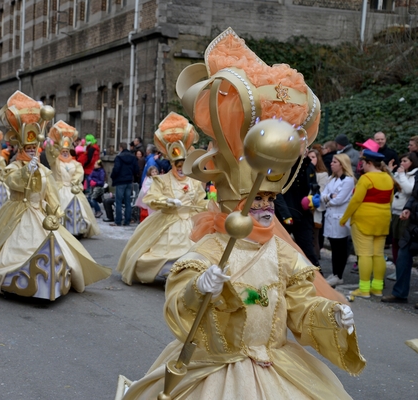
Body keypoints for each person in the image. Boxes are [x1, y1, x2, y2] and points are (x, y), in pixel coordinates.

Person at [119, 29, 364, 399]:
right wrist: (197, 292)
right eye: (257, 200)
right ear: (236, 203)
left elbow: (299, 304)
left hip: (278, 364)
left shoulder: (282, 255)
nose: (266, 207)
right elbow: (183, 296)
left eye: (270, 200)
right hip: (219, 366)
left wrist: (329, 316)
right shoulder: (214, 249)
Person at [0, 91, 110, 301]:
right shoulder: (13, 167)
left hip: (40, 215)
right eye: (27, 149)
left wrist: (55, 213)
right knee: (16, 250)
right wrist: (26, 170)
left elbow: (50, 195)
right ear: (20, 148)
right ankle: (19, 278)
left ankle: (46, 282)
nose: (31, 152)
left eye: (32, 149)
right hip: (17, 214)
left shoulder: (45, 171)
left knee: (55, 249)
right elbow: (12, 183)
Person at [117, 112, 207, 285]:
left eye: (183, 165)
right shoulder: (162, 180)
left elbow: (200, 202)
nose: (180, 169)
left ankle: (184, 273)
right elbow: (151, 197)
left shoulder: (194, 182)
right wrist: (168, 202)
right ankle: (167, 272)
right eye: (177, 165)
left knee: (191, 249)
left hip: (189, 222)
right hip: (168, 221)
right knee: (163, 250)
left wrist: (208, 209)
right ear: (172, 164)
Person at [340, 149, 394, 298]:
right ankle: (377, 288)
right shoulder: (388, 178)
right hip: (382, 220)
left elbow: (355, 201)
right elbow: (390, 200)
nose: (361, 165)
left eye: (363, 163)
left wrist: (344, 218)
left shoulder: (366, 179)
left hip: (363, 220)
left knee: (364, 255)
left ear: (369, 163)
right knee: (378, 255)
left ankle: (364, 289)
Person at [45, 121, 100, 238]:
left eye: (66, 151)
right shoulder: (56, 162)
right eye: (62, 151)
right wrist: (50, 145)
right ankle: (60, 229)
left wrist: (75, 182)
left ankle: (77, 229)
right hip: (59, 188)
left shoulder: (75, 163)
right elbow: (50, 155)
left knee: (76, 208)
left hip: (71, 188)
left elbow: (79, 174)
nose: (64, 153)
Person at [382, 171, 418, 308]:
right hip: (413, 224)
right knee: (403, 256)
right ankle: (400, 293)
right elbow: (414, 195)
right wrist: (408, 208)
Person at [321, 154, 356, 287]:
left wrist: (328, 200)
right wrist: (329, 197)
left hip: (340, 219)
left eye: (335, 162)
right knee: (334, 248)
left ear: (342, 164)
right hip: (330, 217)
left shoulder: (348, 180)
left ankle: (338, 275)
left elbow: (339, 199)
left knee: (340, 248)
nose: (331, 163)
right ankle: (335, 273)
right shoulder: (331, 179)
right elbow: (324, 194)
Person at [388, 152, 418, 274]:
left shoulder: (414, 175)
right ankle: (397, 268)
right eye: (401, 161)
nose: (402, 163)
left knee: (402, 243)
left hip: (405, 213)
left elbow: (409, 190)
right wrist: (391, 173)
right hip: (395, 211)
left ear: (412, 162)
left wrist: (401, 175)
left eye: (405, 161)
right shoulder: (402, 174)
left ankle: (401, 270)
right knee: (395, 241)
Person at [110, 142, 138, 226]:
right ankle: (127, 220)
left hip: (120, 181)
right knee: (127, 202)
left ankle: (118, 221)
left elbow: (116, 169)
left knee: (118, 201)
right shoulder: (133, 157)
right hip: (129, 181)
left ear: (120, 148)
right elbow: (136, 169)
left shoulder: (119, 157)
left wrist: (113, 176)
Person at [307, 148, 329, 258]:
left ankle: (315, 261)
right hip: (304, 206)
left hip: (315, 207)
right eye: (309, 157)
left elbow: (321, 191)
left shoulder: (322, 174)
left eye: (313, 157)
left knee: (314, 237)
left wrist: (309, 198)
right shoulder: (304, 171)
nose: (310, 160)